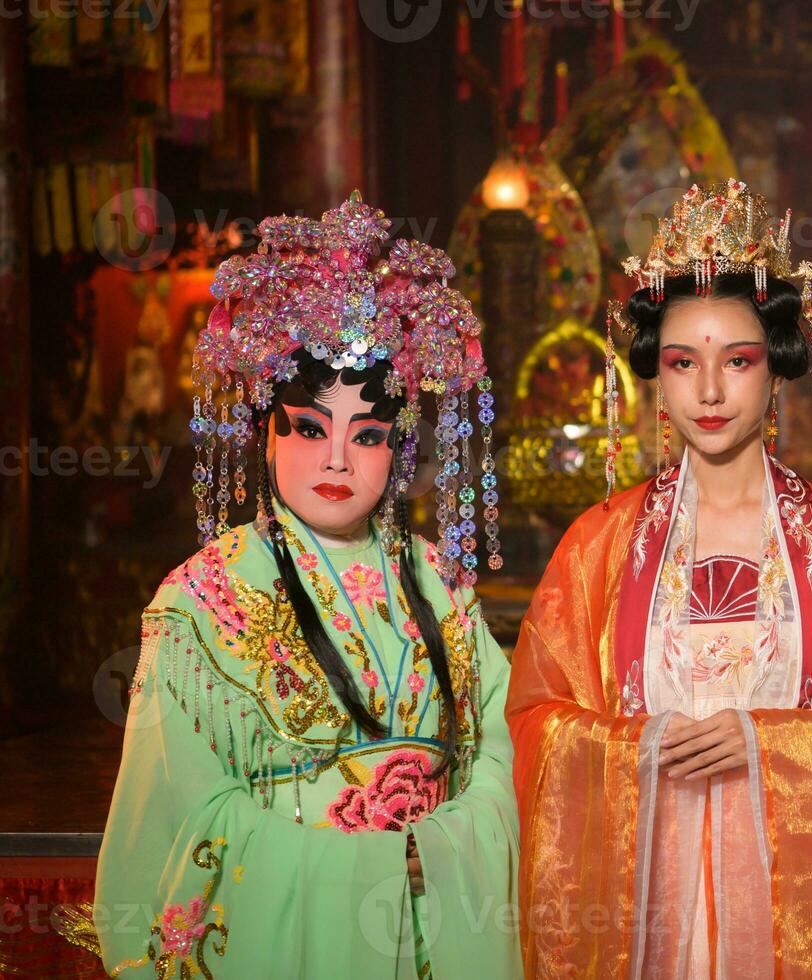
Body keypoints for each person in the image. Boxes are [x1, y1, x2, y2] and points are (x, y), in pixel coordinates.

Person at [506, 179, 812, 977]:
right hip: (647, 911)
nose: (708, 392)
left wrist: (765, 745)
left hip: (795, 907)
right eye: (683, 362)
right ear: (657, 374)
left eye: (736, 361)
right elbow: (538, 717)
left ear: (775, 370)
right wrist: (639, 748)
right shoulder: (598, 546)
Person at [94, 194, 521, 978]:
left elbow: (501, 750)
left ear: (400, 447)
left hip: (434, 928)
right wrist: (360, 870)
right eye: (308, 427)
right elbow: (190, 816)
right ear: (265, 427)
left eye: (366, 436)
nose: (335, 462)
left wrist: (450, 844)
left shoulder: (439, 585)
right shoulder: (201, 601)